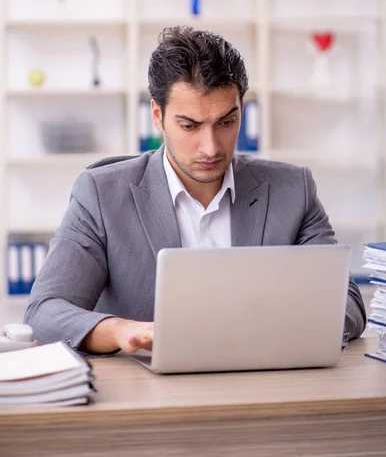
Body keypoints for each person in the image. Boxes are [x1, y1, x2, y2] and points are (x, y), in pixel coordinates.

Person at [24, 26, 366, 354]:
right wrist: (124, 331)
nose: (211, 147)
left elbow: (348, 303)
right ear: (157, 117)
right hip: (148, 396)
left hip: (268, 385)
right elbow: (45, 312)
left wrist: (277, 330)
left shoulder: (293, 190)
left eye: (226, 122)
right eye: (190, 125)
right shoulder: (101, 194)